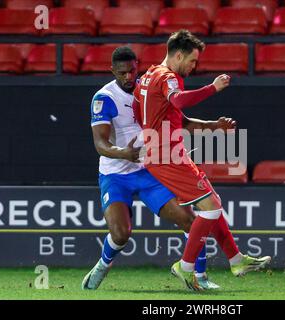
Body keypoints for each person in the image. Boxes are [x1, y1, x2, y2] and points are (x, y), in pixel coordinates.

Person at [82, 46, 236, 291]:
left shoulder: (149, 86)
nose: (128, 77)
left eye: (132, 71)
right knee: (121, 233)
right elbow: (100, 144)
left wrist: (213, 125)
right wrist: (125, 153)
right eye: (122, 73)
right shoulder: (104, 98)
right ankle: (103, 264)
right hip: (115, 174)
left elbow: (181, 121)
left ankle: (199, 276)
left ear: (138, 67)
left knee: (189, 219)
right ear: (112, 71)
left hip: (148, 170)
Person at [133, 30, 271, 291]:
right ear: (178, 54)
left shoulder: (147, 77)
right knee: (211, 207)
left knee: (212, 201)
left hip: (166, 152)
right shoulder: (167, 77)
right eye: (192, 61)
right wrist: (213, 88)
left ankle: (236, 259)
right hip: (166, 155)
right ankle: (185, 267)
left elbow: (172, 117)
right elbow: (180, 100)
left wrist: (213, 126)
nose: (194, 67)